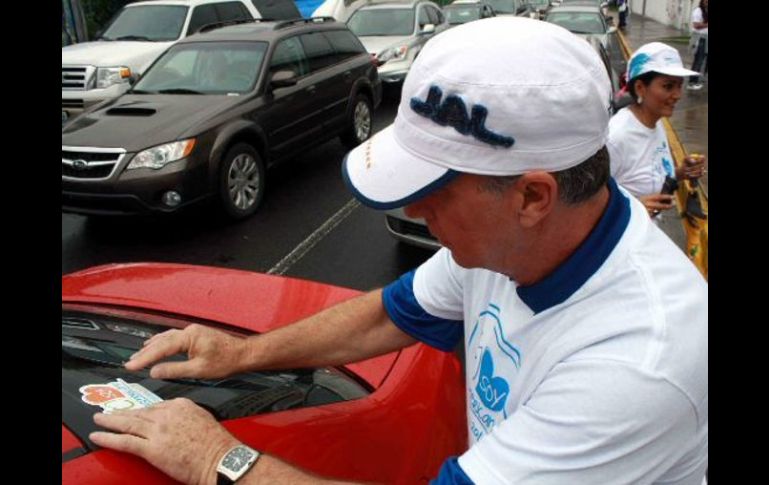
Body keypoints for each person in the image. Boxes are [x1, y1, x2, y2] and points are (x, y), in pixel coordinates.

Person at [90, 18, 708, 485]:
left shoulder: (636, 363)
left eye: (433, 189)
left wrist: (215, 459)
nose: (412, 210)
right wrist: (240, 354)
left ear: (533, 196)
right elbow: (389, 315)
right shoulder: (510, 246)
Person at [608, 42, 707, 223]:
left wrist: (680, 172)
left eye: (679, 86)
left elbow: (646, 175)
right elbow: (586, 204)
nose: (677, 95)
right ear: (640, 88)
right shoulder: (617, 137)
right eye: (668, 86)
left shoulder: (655, 123)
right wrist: (633, 208)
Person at [687, 0, 708, 90]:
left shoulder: (705, 11)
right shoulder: (698, 11)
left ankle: (696, 79)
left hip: (705, 38)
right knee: (698, 61)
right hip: (700, 39)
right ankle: (692, 82)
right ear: (702, 1)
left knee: (700, 60)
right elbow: (696, 25)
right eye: (706, 1)